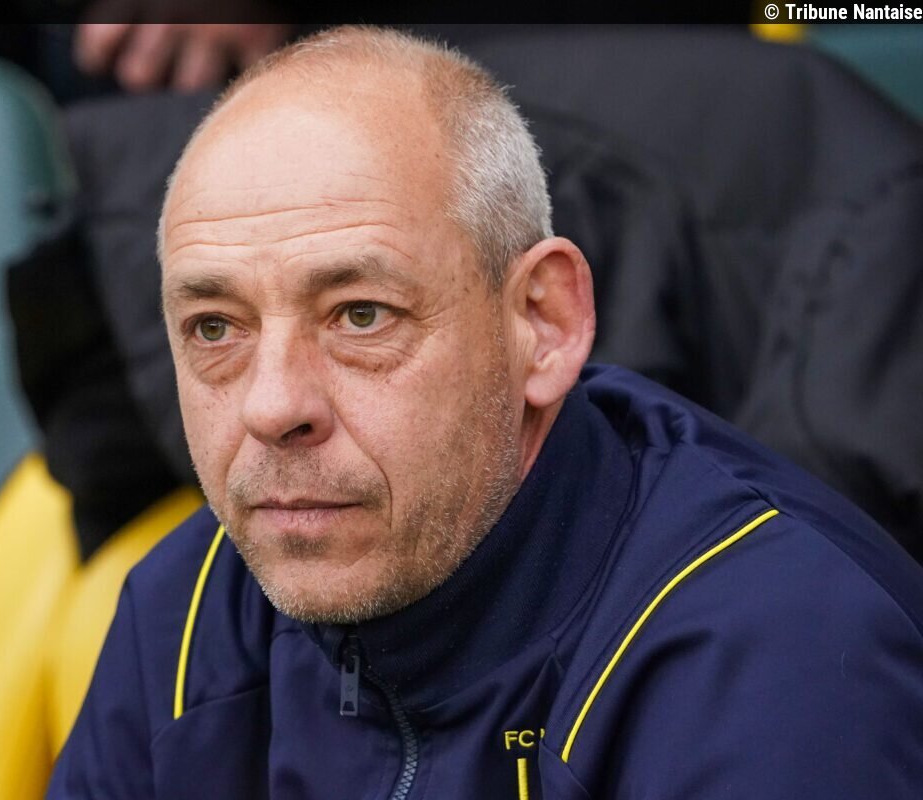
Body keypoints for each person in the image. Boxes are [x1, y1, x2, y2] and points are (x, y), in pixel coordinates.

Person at [47, 26, 923, 799]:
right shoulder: (187, 612)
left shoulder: (778, 659)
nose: (273, 406)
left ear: (544, 322)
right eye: (215, 327)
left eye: (361, 315)